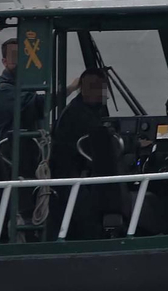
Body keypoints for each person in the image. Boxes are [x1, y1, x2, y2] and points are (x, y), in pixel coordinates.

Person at [49, 68, 121, 236]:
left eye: (102, 88)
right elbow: (99, 141)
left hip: (84, 173)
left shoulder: (94, 110)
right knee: (90, 212)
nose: (102, 93)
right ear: (84, 89)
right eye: (96, 87)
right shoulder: (77, 114)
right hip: (70, 176)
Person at [0, 37, 78, 146]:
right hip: (10, 153)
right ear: (5, 62)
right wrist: (70, 88)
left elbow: (30, 116)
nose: (19, 61)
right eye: (15, 57)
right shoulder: (2, 89)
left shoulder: (25, 86)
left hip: (31, 148)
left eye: (24, 56)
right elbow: (38, 105)